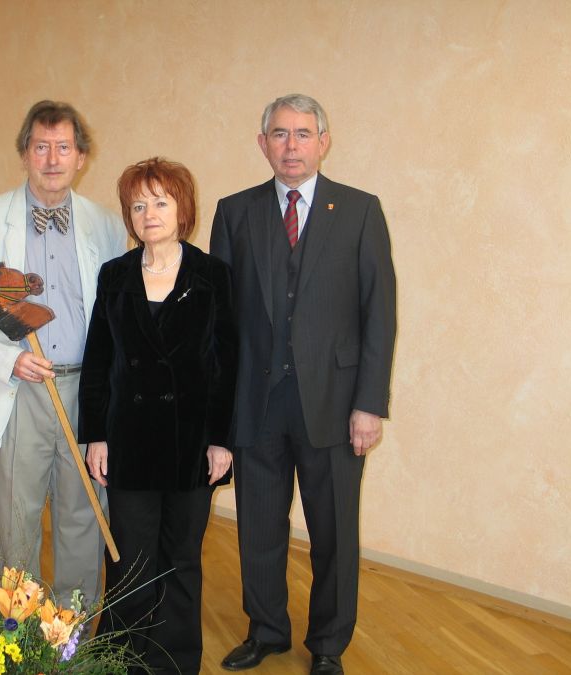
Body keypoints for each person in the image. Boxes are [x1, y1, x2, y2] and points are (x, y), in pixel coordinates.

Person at [210, 94, 396, 674]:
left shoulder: (361, 211)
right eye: (281, 134)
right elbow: (219, 324)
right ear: (262, 143)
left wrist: (369, 404)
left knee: (334, 535)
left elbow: (379, 314)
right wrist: (217, 414)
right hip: (256, 406)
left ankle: (329, 646)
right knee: (258, 530)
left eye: (303, 134)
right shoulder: (235, 212)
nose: (292, 146)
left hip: (336, 410)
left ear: (324, 141)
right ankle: (266, 630)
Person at [0, 100, 126, 606]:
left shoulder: (106, 226)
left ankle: (73, 643)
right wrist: (8, 358)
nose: (52, 159)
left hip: (85, 392)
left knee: (83, 519)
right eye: (41, 147)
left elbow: (116, 320)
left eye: (63, 147)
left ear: (81, 156)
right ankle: (22, 641)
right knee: (17, 520)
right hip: (18, 389)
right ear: (24, 153)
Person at [78, 157, 237, 674]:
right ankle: (119, 663)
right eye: (138, 204)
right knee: (128, 562)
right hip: (129, 442)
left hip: (192, 444)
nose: (149, 213)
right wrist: (95, 434)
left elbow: (225, 365)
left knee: (182, 561)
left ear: (182, 208)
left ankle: (174, 664)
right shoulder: (115, 275)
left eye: (160, 202)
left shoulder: (212, 275)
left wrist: (222, 440)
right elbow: (99, 359)